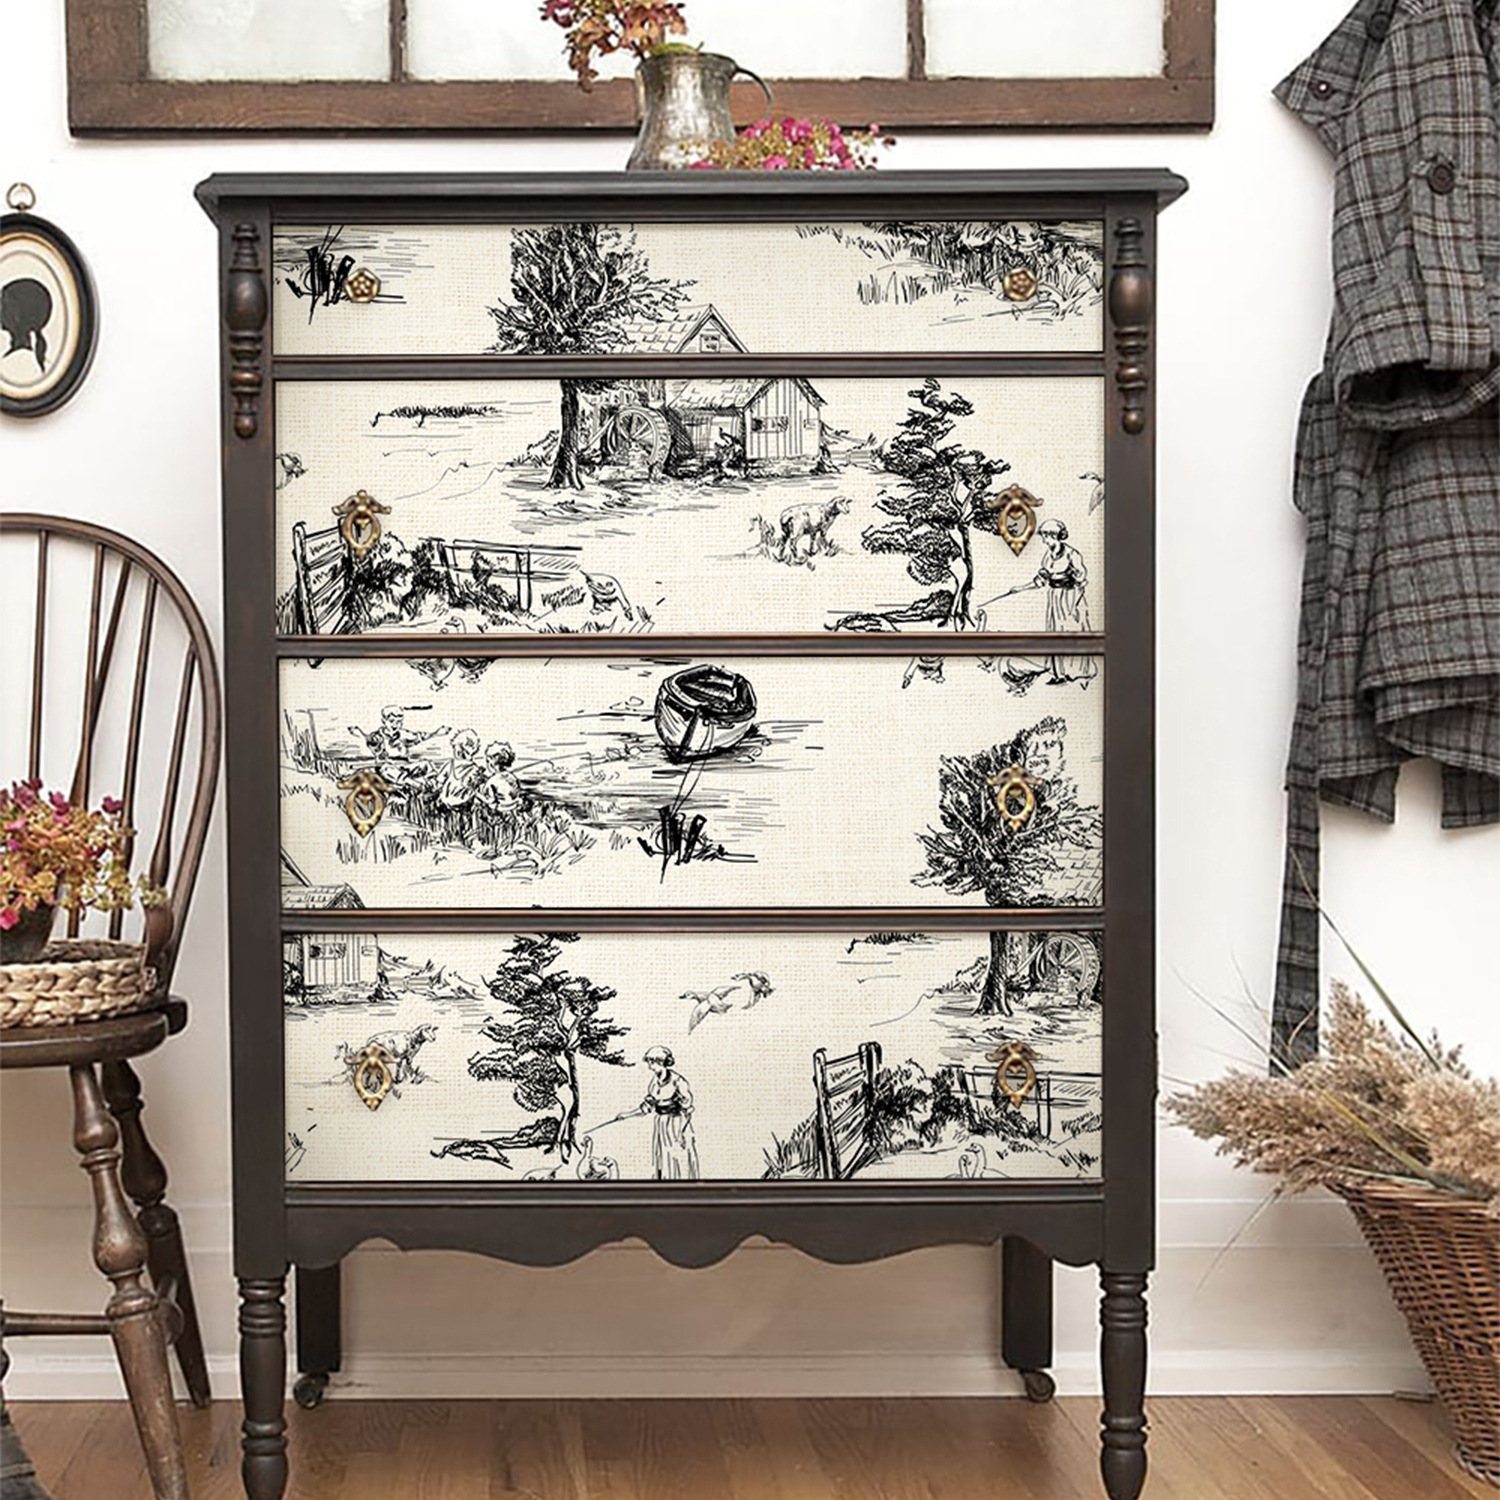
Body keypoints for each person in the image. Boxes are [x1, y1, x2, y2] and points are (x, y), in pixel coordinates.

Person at [985, 520, 1098, 693]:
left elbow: (1081, 580)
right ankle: (1059, 673)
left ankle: (1076, 672)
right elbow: (1040, 580)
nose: (1044, 540)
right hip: (1055, 599)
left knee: (1070, 633)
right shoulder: (1048, 556)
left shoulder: (1071, 555)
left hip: (1070, 599)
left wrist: (1074, 603)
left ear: (1054, 536)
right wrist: (1020, 588)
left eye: (1045, 536)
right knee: (1055, 633)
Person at [640, 1045, 699, 1181]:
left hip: (676, 1123)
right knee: (662, 1156)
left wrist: (682, 1132)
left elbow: (687, 1109)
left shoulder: (677, 1081)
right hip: (661, 1124)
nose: (649, 1066)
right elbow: (649, 1105)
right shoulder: (655, 1082)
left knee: (676, 1155)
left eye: (651, 1062)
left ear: (660, 1062)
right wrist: (625, 1115)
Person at [349, 705, 448, 785]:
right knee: (387, 770)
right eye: (392, 721)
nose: (395, 725)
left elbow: (420, 737)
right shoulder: (378, 736)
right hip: (388, 767)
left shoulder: (404, 734)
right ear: (384, 721)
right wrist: (361, 734)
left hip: (405, 766)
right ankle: (415, 784)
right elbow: (371, 741)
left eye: (399, 722)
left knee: (425, 764)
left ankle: (434, 784)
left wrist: (436, 733)